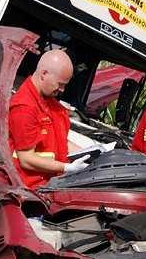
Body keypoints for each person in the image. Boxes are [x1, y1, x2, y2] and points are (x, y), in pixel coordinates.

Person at [8, 49, 89, 187]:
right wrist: (66, 167)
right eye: (60, 84)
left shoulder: (51, 103)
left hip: (51, 185)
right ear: (44, 74)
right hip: (29, 190)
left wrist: (89, 152)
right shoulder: (24, 107)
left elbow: (60, 140)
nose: (62, 90)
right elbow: (26, 159)